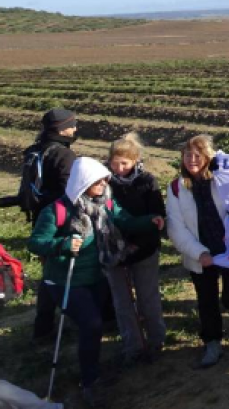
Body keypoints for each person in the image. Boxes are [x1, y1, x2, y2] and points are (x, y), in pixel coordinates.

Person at [28, 158, 163, 407]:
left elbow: (126, 221)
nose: (104, 183)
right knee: (91, 325)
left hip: (97, 276)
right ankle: (90, 382)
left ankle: (93, 370)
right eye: (97, 181)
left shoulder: (105, 203)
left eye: (104, 179)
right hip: (65, 281)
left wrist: (149, 220)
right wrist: (62, 245)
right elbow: (35, 242)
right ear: (83, 182)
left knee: (94, 326)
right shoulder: (56, 211)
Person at [166, 135, 229, 368]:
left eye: (198, 155)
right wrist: (199, 253)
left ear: (208, 157)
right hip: (201, 254)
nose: (192, 160)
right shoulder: (176, 188)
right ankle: (212, 343)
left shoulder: (223, 179)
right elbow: (176, 227)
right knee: (206, 301)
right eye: (188, 155)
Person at [103, 134, 167, 365]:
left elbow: (157, 215)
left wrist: (138, 242)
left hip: (145, 248)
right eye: (115, 162)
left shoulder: (147, 182)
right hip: (114, 252)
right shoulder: (104, 183)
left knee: (147, 298)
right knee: (122, 303)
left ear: (135, 161)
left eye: (125, 163)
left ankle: (157, 341)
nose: (119, 168)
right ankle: (132, 346)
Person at [29, 108, 79, 341]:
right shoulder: (64, 155)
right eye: (72, 125)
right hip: (60, 220)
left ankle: (43, 326)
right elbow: (69, 192)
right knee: (66, 271)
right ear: (61, 128)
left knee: (48, 272)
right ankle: (71, 320)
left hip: (40, 219)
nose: (75, 129)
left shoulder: (35, 150)